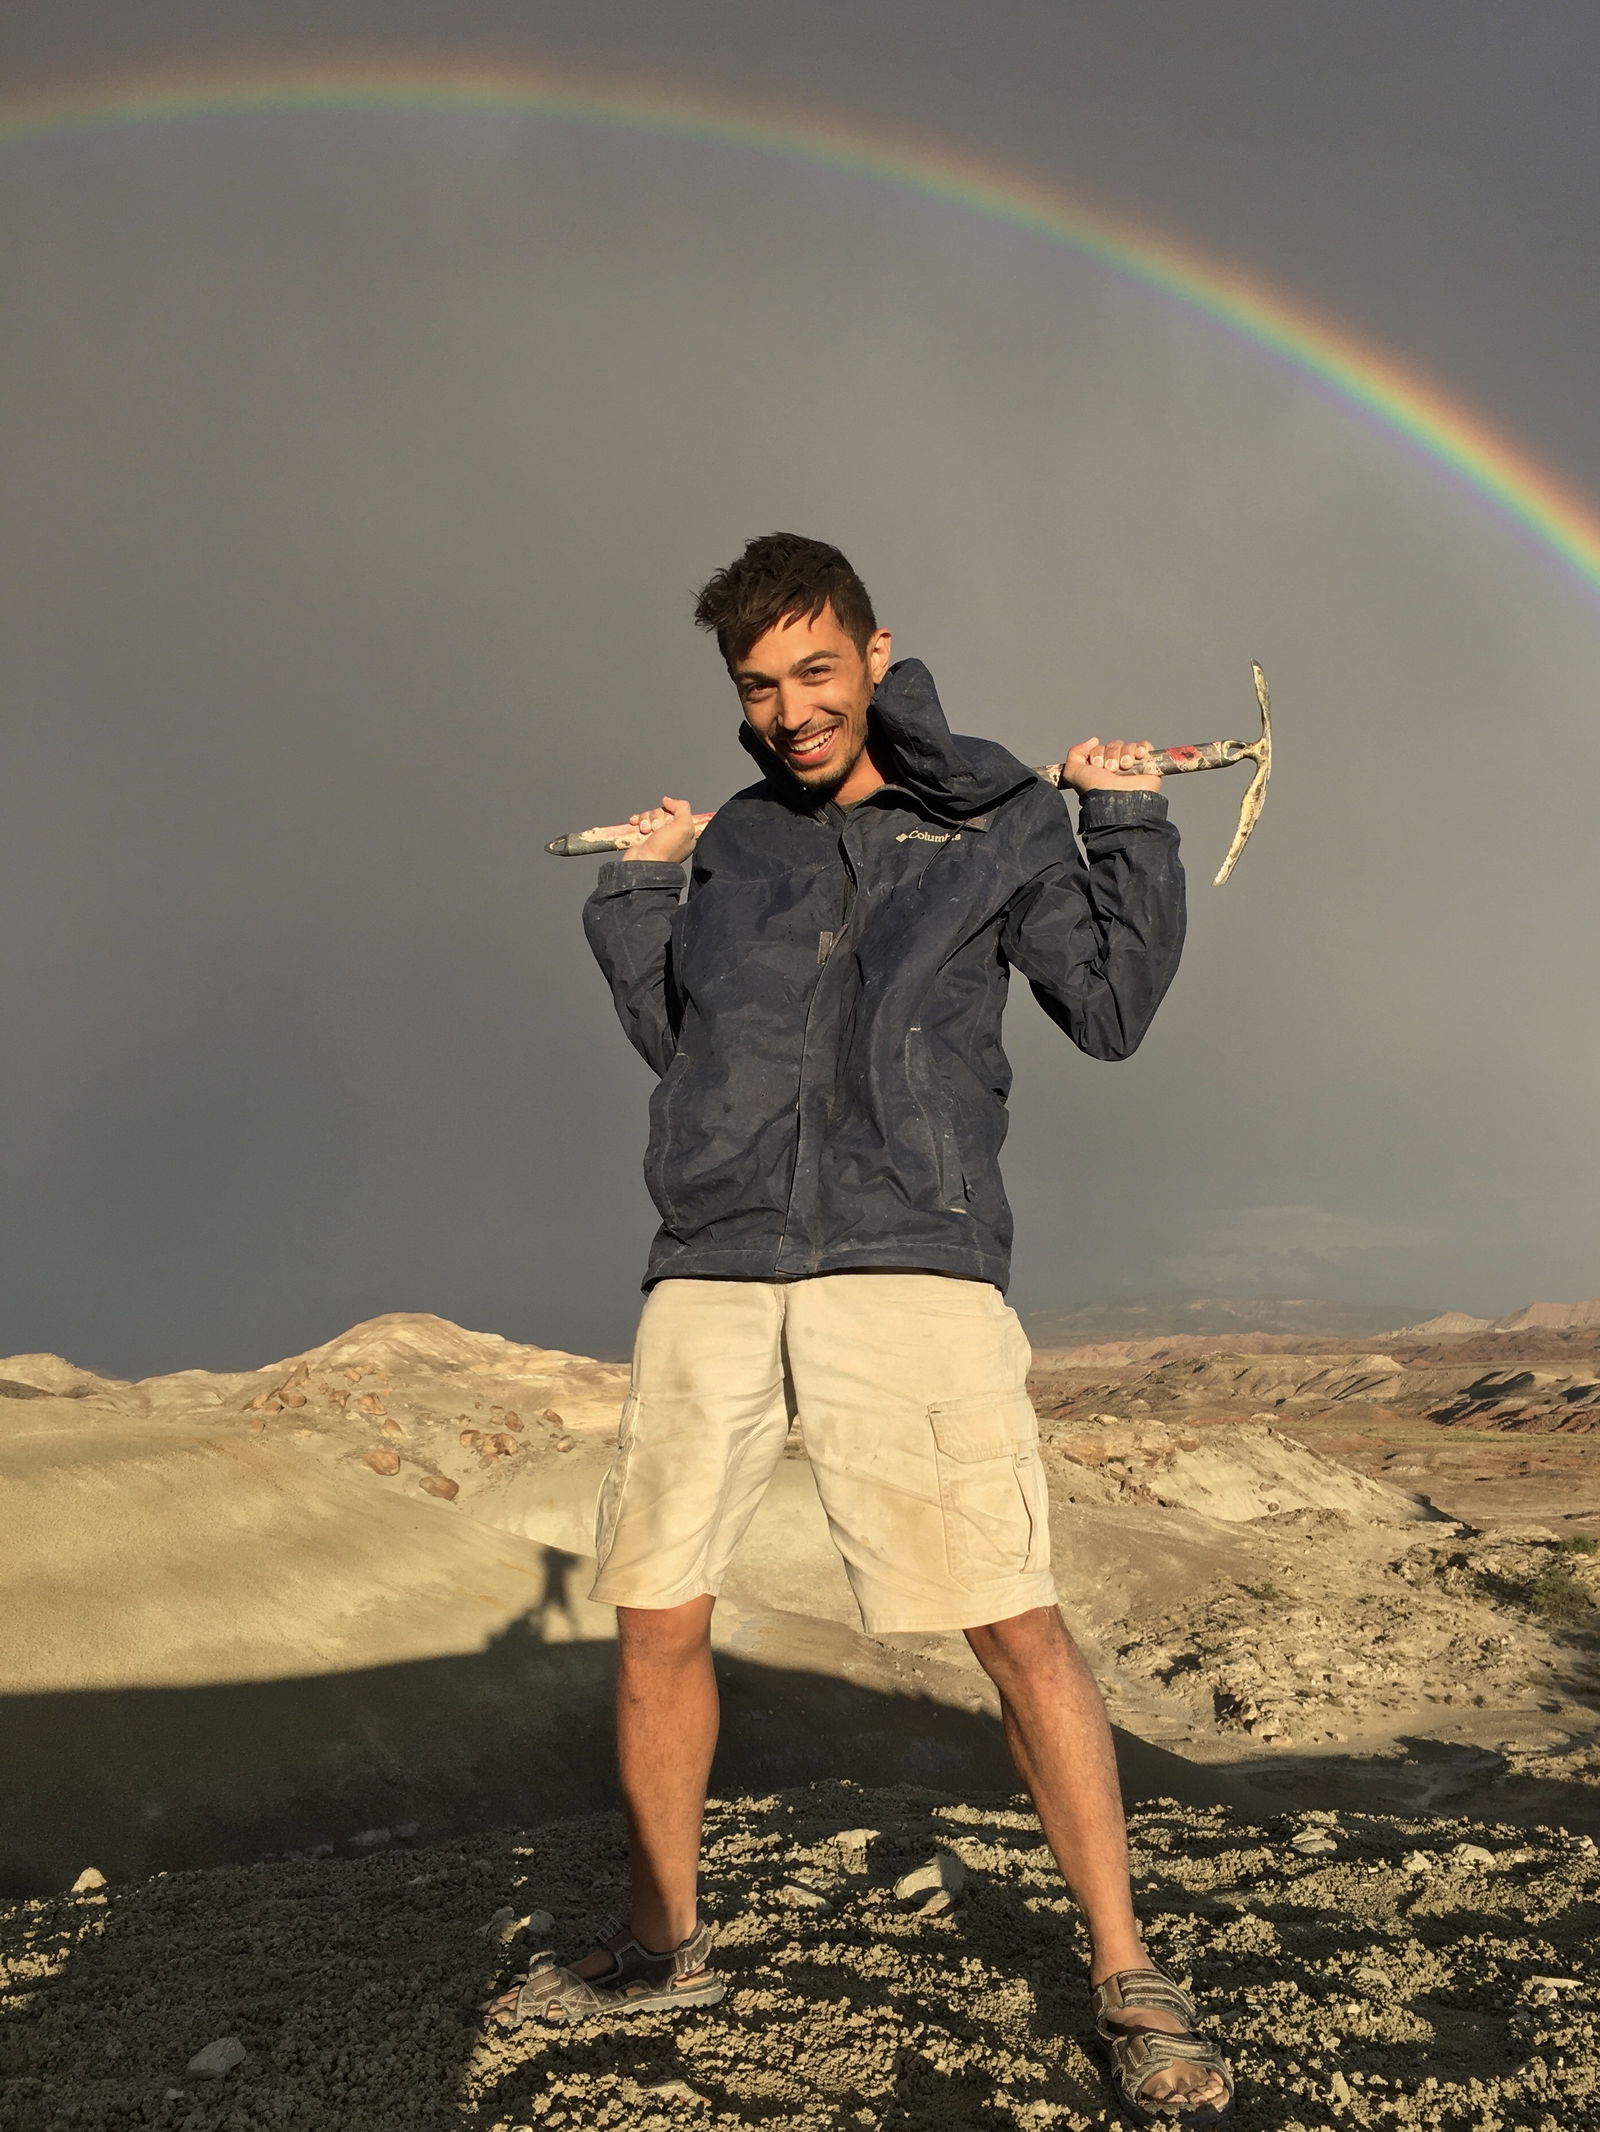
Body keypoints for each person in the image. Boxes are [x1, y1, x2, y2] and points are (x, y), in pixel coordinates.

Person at [485, 533, 1233, 2119]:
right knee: (656, 1605)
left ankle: (1126, 1970)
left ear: (876, 654)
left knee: (1011, 1613)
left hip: (911, 1259)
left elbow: (1107, 1012)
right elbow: (688, 1053)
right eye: (757, 688)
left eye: (814, 674)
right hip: (713, 1264)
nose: (788, 712)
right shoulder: (739, 846)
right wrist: (642, 890)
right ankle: (663, 1938)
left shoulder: (996, 814)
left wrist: (1124, 816)